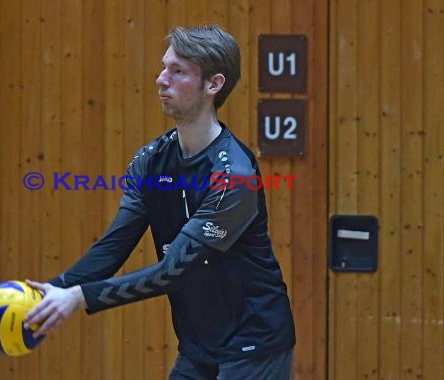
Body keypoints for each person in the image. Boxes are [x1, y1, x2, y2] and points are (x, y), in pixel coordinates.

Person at [24, 24, 296, 379]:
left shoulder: (234, 176)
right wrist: (55, 290)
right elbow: (113, 246)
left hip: (254, 345)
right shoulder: (150, 160)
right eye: (164, 66)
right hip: (199, 347)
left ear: (213, 85)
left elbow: (172, 272)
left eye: (177, 71)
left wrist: (79, 297)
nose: (160, 79)